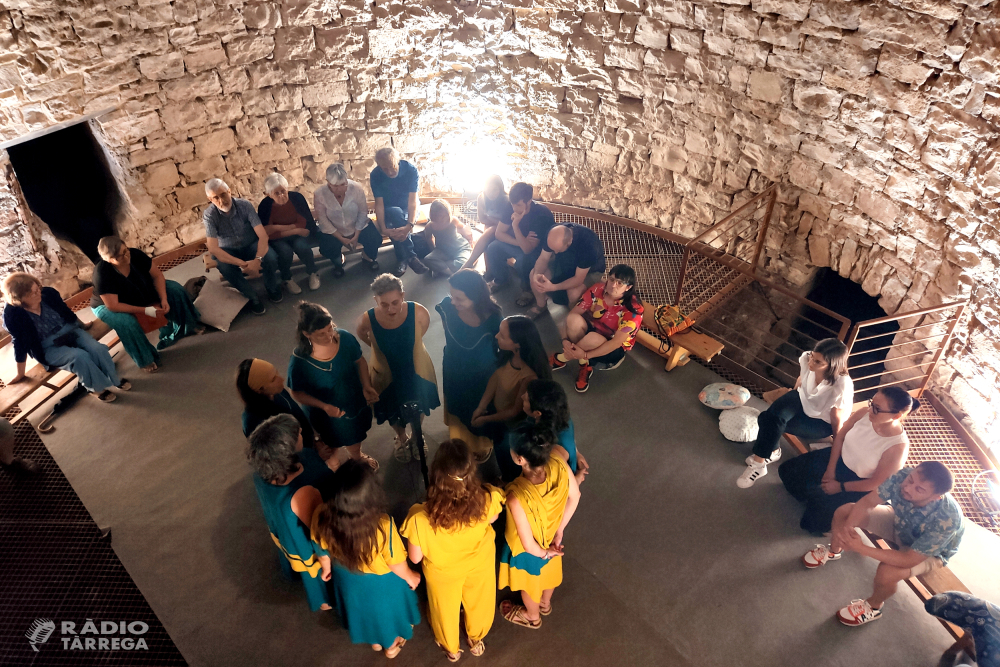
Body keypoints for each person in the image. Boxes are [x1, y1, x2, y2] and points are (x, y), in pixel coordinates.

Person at [802, 461, 965, 627]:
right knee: (844, 512)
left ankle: (874, 606)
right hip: (900, 521)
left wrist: (862, 548)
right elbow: (867, 502)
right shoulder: (903, 475)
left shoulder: (948, 518)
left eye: (919, 489)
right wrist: (847, 531)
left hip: (929, 552)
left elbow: (909, 559)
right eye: (910, 480)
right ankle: (834, 550)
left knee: (887, 573)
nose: (908, 488)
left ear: (935, 497)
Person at [401, 439, 505, 661]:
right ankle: (476, 639)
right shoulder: (487, 497)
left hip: (443, 573)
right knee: (480, 601)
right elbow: (494, 518)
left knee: (444, 608)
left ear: (436, 475)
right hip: (480, 562)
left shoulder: (419, 517)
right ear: (471, 472)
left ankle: (451, 649)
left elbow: (415, 557)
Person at [311, 459, 421, 659]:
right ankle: (391, 646)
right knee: (385, 614)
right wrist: (411, 577)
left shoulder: (321, 515)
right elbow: (395, 562)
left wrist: (326, 568)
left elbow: (320, 546)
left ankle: (376, 643)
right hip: (381, 583)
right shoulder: (382, 526)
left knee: (363, 612)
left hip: (347, 577)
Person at [778, 387, 914, 534]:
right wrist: (830, 470)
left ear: (896, 416)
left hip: (858, 482)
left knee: (811, 525)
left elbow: (875, 484)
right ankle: (814, 496)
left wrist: (840, 487)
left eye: (877, 408)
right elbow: (840, 437)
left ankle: (822, 506)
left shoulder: (897, 447)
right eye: (871, 403)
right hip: (837, 458)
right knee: (786, 472)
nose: (870, 410)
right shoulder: (864, 413)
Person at [247, 414, 337, 612]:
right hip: (310, 540)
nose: (302, 433)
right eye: (297, 434)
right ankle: (326, 599)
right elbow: (319, 530)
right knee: (321, 576)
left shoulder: (262, 473)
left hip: (285, 535)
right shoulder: (300, 493)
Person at [738, 338, 854, 488]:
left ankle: (770, 453)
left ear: (832, 366)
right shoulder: (807, 358)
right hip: (802, 400)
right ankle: (760, 464)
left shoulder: (841, 384)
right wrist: (789, 398)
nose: (811, 363)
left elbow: (836, 417)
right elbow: (802, 378)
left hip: (820, 422)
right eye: (813, 356)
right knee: (775, 416)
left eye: (818, 362)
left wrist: (838, 447)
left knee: (766, 419)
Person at [498, 422, 581, 629]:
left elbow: (527, 544)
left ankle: (532, 615)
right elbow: (575, 496)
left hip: (531, 552)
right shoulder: (559, 461)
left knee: (529, 585)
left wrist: (543, 553)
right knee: (550, 575)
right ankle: (545, 603)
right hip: (553, 536)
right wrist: (559, 529)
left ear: (519, 458)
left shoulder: (515, 497)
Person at [2, 272, 126, 403]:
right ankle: (95, 388)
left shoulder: (48, 293)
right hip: (46, 345)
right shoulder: (12, 314)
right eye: (33, 293)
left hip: (69, 329)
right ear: (21, 299)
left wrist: (82, 325)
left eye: (37, 288)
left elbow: (66, 312)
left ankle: (114, 379)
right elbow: (20, 343)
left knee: (96, 349)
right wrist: (20, 373)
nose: (39, 292)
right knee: (79, 356)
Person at [356, 274, 440, 462]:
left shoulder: (419, 312)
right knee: (391, 408)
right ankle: (401, 437)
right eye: (383, 304)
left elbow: (422, 331)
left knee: (419, 405)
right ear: (375, 300)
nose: (390, 309)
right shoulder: (367, 320)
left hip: (416, 369)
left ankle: (418, 435)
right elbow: (362, 334)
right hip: (385, 373)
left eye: (395, 302)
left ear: (403, 295)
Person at [90, 235, 203, 373]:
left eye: (126, 251)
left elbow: (157, 276)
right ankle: (145, 359)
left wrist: (164, 299)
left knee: (175, 290)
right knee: (126, 323)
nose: (126, 256)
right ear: (108, 259)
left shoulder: (135, 254)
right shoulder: (102, 272)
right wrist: (146, 310)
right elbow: (113, 305)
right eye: (120, 256)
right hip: (109, 304)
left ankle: (187, 326)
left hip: (139, 289)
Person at [288, 303, 378, 472]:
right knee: (330, 442)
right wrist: (323, 406)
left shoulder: (344, 337)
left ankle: (356, 457)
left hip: (352, 400)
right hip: (325, 412)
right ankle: (334, 466)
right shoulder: (300, 360)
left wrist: (366, 385)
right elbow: (296, 392)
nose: (329, 335)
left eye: (330, 328)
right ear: (306, 334)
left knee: (354, 432)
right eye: (321, 334)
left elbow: (359, 361)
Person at [471, 316, 552, 480]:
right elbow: (496, 379)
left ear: (517, 345)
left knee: (508, 455)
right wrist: (481, 407)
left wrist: (485, 418)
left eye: (502, 335)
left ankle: (510, 481)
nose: (496, 336)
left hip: (512, 426)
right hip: (498, 416)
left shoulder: (529, 375)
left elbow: (515, 411)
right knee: (500, 450)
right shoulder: (508, 355)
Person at [436, 270, 503, 462]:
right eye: (452, 295)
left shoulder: (493, 317)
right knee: (458, 402)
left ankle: (481, 444)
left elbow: (501, 346)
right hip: (453, 367)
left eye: (460, 298)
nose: (453, 302)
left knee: (479, 406)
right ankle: (461, 438)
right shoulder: (447, 307)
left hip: (482, 374)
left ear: (476, 297)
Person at [550, 264, 643, 393]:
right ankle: (584, 364)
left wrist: (585, 354)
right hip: (594, 330)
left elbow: (616, 343)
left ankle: (562, 358)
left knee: (592, 338)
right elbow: (572, 314)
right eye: (611, 279)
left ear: (628, 287)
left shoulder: (633, 310)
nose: (613, 285)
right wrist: (564, 339)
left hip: (614, 348)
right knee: (573, 319)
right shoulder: (598, 289)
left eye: (620, 283)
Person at [203, 178, 282, 315]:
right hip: (227, 250)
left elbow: (263, 236)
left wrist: (257, 260)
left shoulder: (245, 205)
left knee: (271, 257)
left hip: (250, 244)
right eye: (215, 198)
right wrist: (244, 264)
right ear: (210, 199)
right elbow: (213, 248)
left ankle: (272, 288)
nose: (221, 201)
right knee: (225, 267)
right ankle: (252, 296)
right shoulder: (210, 215)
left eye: (223, 194)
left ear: (229, 191)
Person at [236, 358, 322, 456]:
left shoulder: (278, 392)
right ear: (259, 390)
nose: (281, 379)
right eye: (273, 379)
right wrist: (311, 455)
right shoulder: (252, 421)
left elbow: (300, 418)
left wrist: (315, 441)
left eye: (276, 372)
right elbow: (276, 456)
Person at [484, 182, 554, 299]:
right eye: (513, 205)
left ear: (529, 201)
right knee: (493, 248)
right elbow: (499, 234)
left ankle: (527, 290)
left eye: (519, 205)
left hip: (540, 251)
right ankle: (502, 279)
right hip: (520, 243)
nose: (515, 209)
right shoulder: (510, 206)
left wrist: (515, 225)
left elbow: (527, 249)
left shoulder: (541, 214)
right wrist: (519, 242)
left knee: (523, 259)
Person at [514, 379, 590, 486]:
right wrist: (576, 453)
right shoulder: (561, 417)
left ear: (537, 413)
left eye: (526, 399)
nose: (522, 397)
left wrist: (576, 480)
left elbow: (559, 484)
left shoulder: (556, 450)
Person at [313, 163, 382, 277]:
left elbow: (362, 212)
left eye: (343, 184)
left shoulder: (356, 188)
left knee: (375, 239)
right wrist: (340, 238)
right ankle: (338, 261)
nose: (340, 189)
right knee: (327, 248)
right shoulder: (320, 193)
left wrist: (356, 234)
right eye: (335, 186)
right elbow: (322, 219)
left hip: (358, 225)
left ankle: (367, 257)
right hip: (334, 230)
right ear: (328, 182)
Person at [257, 173, 321, 294]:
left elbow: (305, 225)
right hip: (278, 239)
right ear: (269, 194)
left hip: (296, 236)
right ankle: (287, 278)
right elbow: (268, 233)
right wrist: (294, 229)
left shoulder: (296, 198)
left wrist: (276, 228)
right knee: (284, 252)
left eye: (283, 191)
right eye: (276, 193)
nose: (281, 195)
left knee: (302, 246)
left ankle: (313, 272)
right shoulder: (265, 206)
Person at [527, 222, 606, 318]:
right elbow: (544, 258)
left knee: (574, 293)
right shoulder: (553, 233)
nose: (555, 252)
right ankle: (541, 305)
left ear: (569, 243)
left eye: (558, 250)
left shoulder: (588, 244)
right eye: (553, 249)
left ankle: (574, 317)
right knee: (533, 274)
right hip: (565, 262)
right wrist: (536, 274)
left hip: (591, 270)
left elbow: (578, 279)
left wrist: (553, 287)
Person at [369, 147, 428, 277]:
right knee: (395, 214)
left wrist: (409, 225)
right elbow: (379, 204)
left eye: (392, 166)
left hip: (409, 208)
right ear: (379, 166)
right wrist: (383, 228)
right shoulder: (375, 175)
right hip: (390, 209)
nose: (389, 172)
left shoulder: (410, 170)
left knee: (396, 225)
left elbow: (413, 201)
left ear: (398, 161)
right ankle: (411, 256)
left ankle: (402, 259)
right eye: (385, 168)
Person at [463, 175, 513, 272]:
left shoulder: (507, 201)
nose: (491, 193)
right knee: (488, 235)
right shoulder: (481, 198)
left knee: (490, 231)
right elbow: (482, 219)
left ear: (500, 189)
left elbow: (509, 224)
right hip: (491, 227)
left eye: (495, 190)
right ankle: (488, 272)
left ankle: (469, 263)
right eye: (489, 189)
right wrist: (496, 222)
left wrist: (491, 219)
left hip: (506, 230)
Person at [421, 200, 473, 278]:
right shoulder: (430, 226)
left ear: (448, 214)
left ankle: (443, 268)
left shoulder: (453, 221)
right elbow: (429, 239)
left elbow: (462, 228)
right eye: (439, 216)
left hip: (460, 247)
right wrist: (434, 250)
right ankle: (450, 272)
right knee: (427, 259)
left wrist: (469, 239)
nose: (442, 219)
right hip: (442, 250)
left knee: (463, 262)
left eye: (444, 216)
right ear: (433, 215)